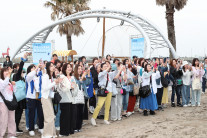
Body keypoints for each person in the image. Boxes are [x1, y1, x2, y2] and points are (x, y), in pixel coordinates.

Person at [41, 62, 62, 138]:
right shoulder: (45, 76)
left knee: (52, 116)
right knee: (48, 117)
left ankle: (52, 133)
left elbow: (50, 90)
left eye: (53, 66)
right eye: (51, 66)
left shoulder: (51, 77)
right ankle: (46, 135)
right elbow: (45, 88)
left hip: (49, 98)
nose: (53, 67)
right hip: (45, 98)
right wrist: (54, 83)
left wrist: (56, 83)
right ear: (47, 67)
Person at [58, 63, 77, 137]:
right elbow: (63, 88)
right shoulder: (62, 77)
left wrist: (74, 87)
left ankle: (69, 130)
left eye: (70, 67)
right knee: (64, 117)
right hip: (64, 99)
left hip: (72, 99)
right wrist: (70, 87)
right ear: (64, 69)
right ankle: (63, 132)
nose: (69, 68)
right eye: (67, 67)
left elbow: (75, 87)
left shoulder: (72, 77)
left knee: (71, 116)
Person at [26, 64, 44, 136]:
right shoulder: (28, 77)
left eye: (35, 68)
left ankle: (41, 127)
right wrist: (36, 68)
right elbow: (30, 75)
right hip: (31, 97)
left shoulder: (38, 76)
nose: (35, 69)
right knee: (31, 114)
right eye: (32, 68)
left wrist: (41, 68)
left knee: (40, 113)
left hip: (39, 97)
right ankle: (31, 129)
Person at [12, 53, 28, 133]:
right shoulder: (16, 76)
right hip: (18, 98)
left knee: (19, 114)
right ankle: (15, 128)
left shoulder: (22, 77)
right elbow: (21, 68)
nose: (21, 70)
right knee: (17, 114)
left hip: (21, 98)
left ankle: (16, 127)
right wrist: (23, 60)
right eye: (18, 68)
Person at [74, 65, 91, 131]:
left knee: (81, 113)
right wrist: (82, 77)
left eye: (81, 69)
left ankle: (79, 127)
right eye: (78, 69)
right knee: (76, 113)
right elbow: (77, 84)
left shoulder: (82, 77)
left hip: (82, 96)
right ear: (76, 69)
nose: (80, 70)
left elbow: (88, 82)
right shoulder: (74, 77)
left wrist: (88, 74)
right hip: (75, 97)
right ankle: (75, 127)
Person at [0, 67, 16, 138]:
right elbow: (2, 86)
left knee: (12, 119)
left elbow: (13, 91)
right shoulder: (1, 81)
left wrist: (14, 85)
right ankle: (1, 134)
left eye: (8, 71)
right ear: (2, 73)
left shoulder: (9, 81)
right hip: (3, 102)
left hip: (10, 102)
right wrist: (8, 76)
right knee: (3, 119)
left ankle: (11, 134)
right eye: (5, 71)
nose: (7, 72)